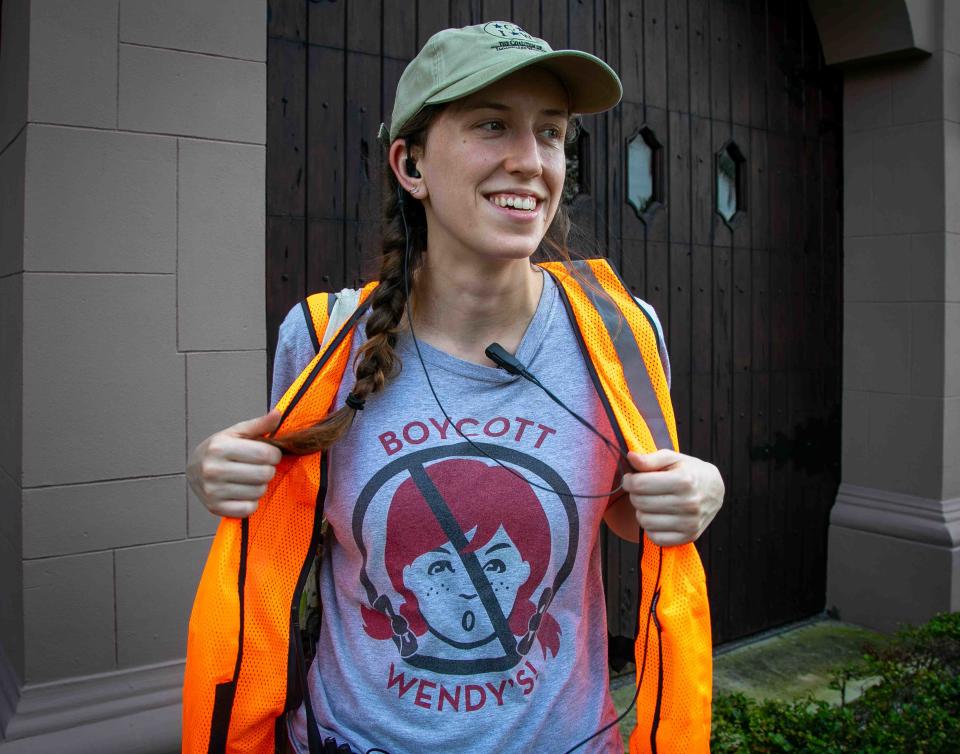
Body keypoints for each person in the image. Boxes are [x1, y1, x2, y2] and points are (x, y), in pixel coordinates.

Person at [185, 21, 724, 754]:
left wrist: (697, 492)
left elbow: (629, 513)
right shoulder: (322, 343)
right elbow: (288, 528)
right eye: (492, 125)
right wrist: (218, 474)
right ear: (410, 165)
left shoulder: (622, 334)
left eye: (551, 133)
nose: (531, 160)